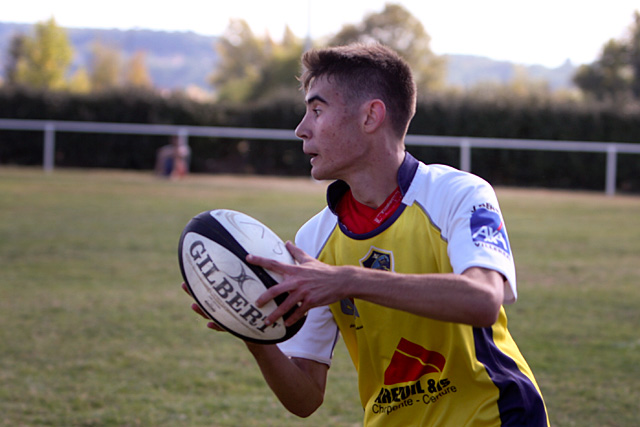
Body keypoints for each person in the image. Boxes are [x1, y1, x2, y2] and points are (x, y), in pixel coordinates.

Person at [184, 43, 549, 426]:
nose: (301, 129)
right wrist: (252, 331)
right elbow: (305, 396)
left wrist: (348, 281)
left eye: (317, 110)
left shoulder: (458, 194)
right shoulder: (315, 239)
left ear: (371, 116)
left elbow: (483, 300)